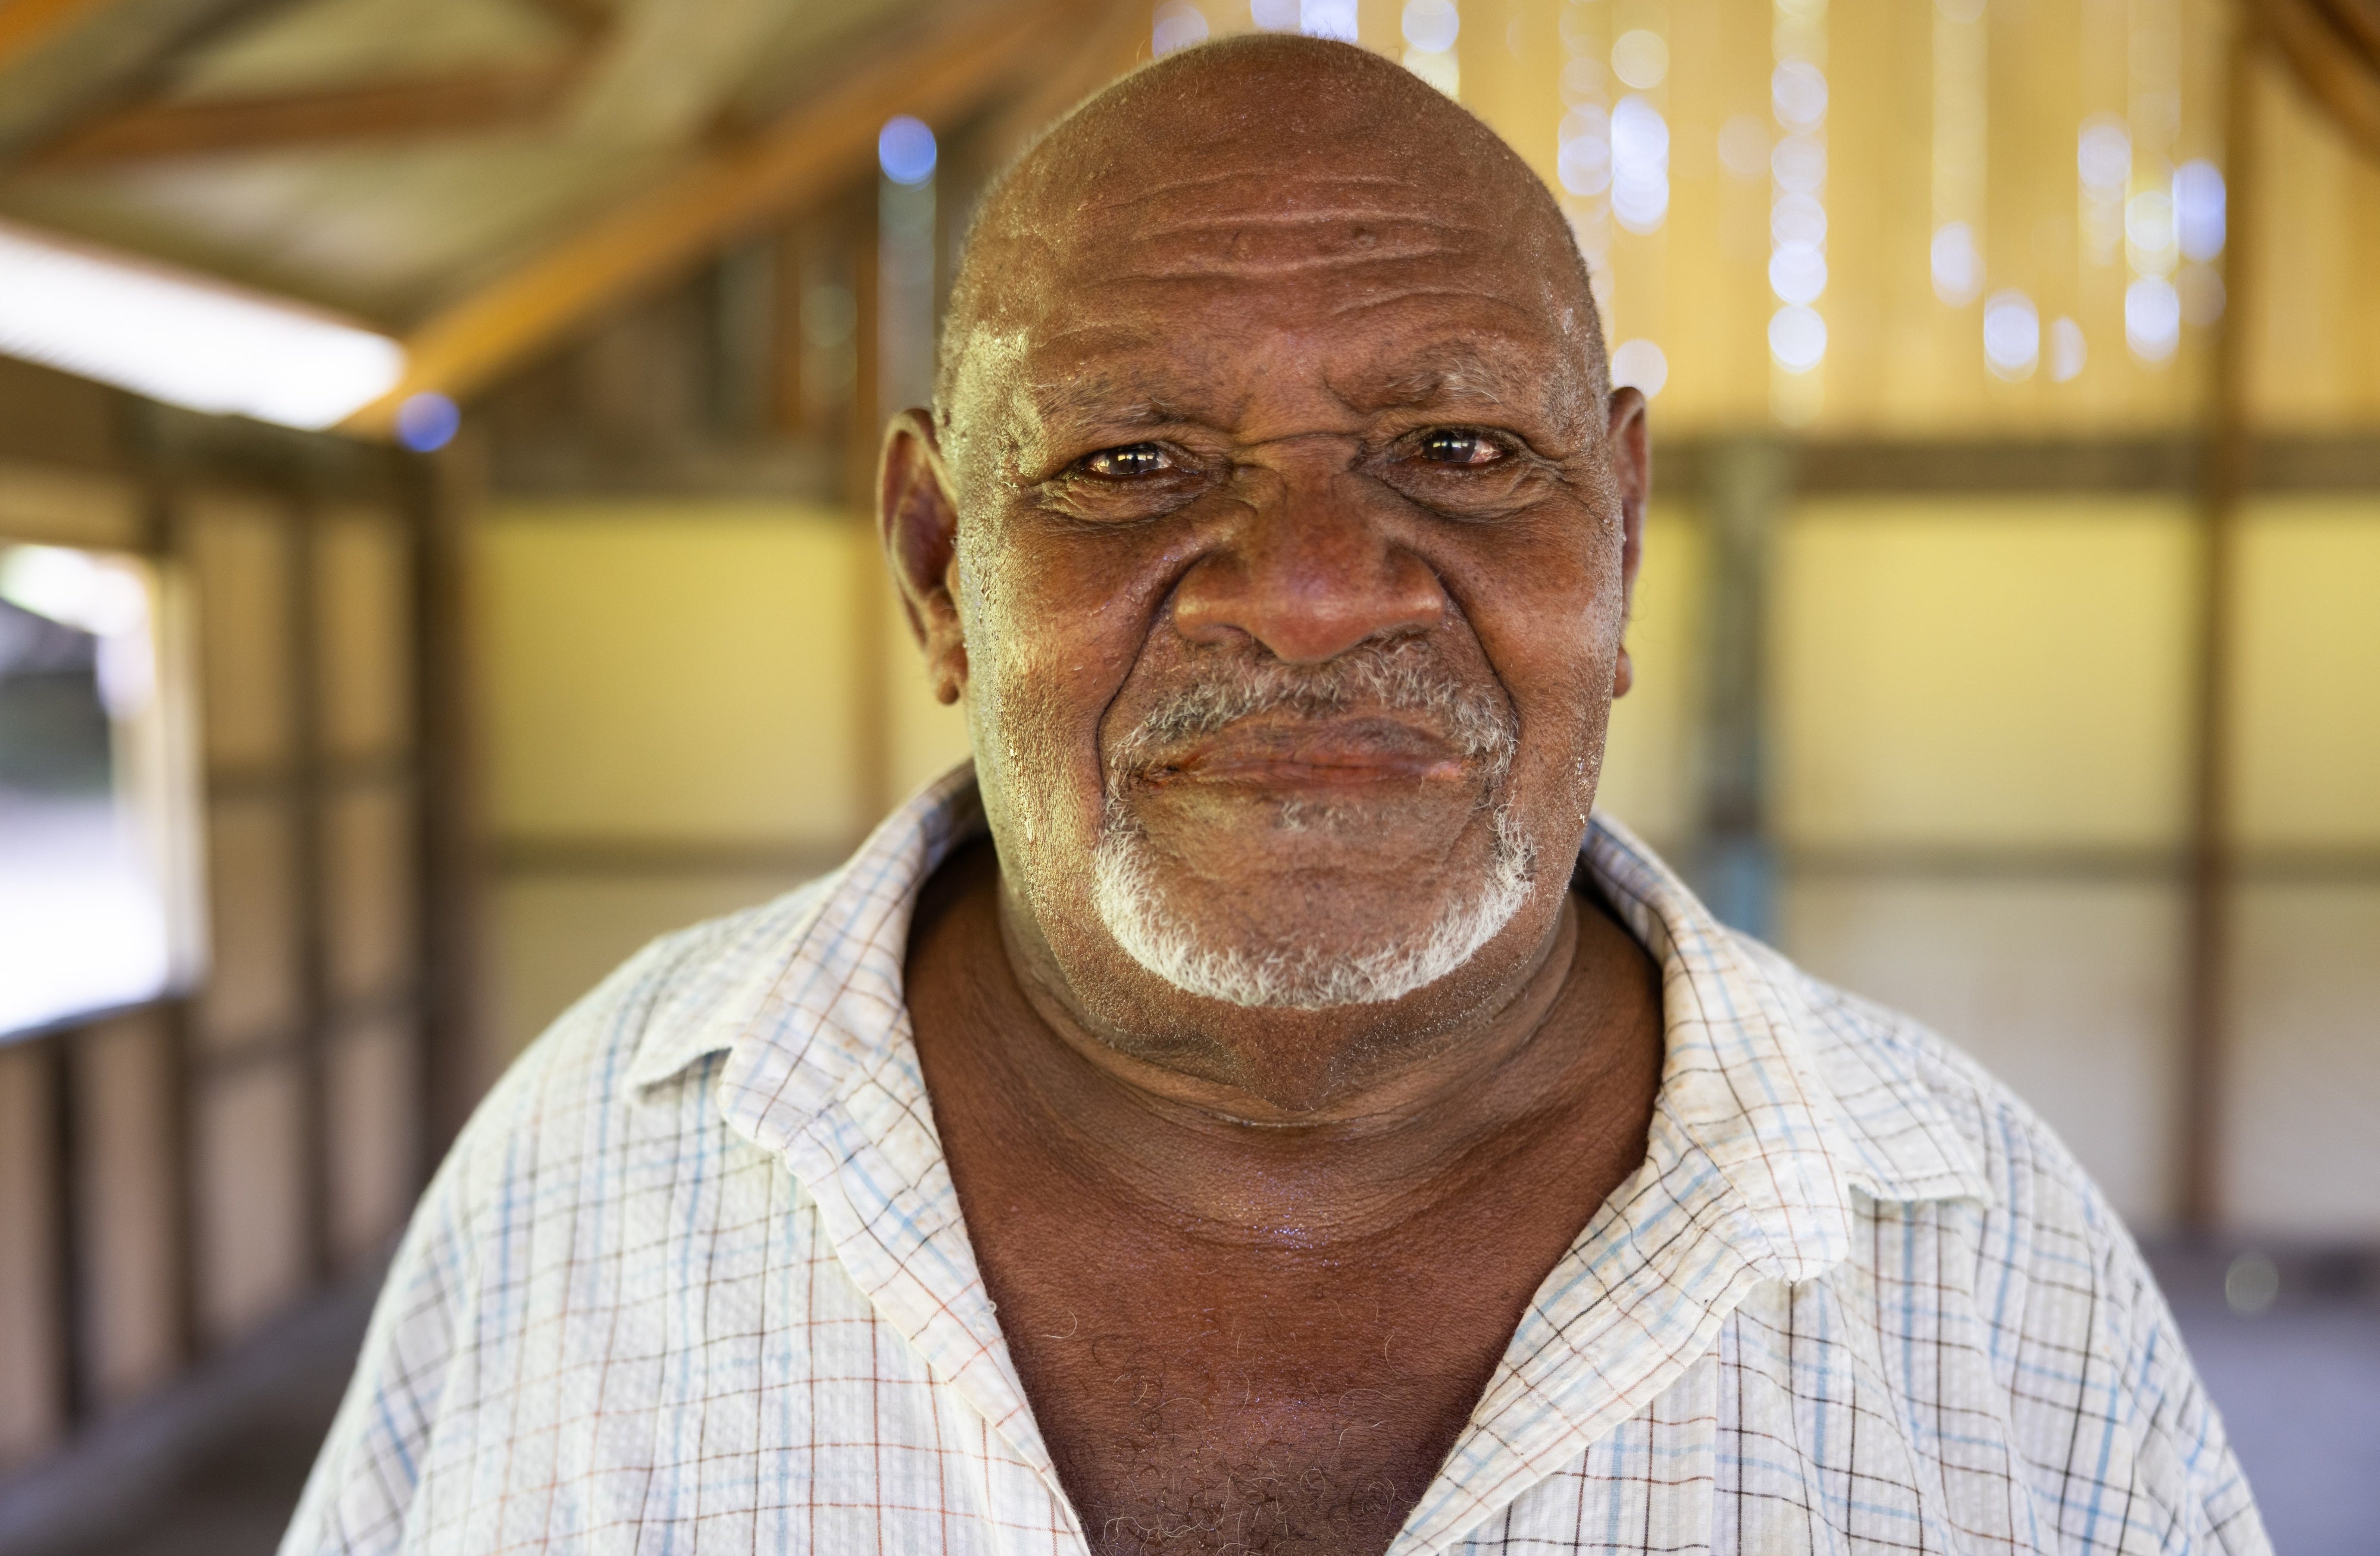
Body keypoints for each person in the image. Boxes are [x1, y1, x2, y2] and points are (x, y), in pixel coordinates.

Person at [283, 35, 2269, 1556]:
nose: (1314, 592)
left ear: (1620, 532)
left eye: (1461, 446)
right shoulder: (595, 1165)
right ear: (938, 568)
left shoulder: (1976, 1253)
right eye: (1131, 464)